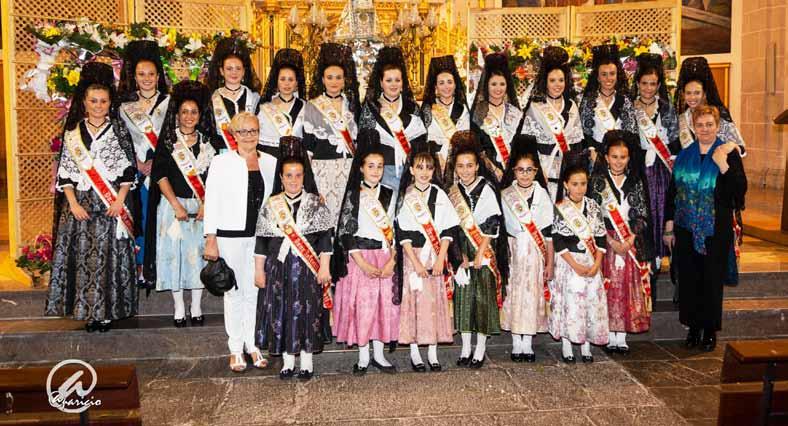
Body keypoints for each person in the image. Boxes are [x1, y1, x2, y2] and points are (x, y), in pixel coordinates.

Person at [46, 62, 139, 333]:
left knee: (108, 260)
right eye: (93, 101)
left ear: (110, 104)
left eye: (103, 101)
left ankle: (106, 313)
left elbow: (128, 171)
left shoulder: (119, 131)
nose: (98, 106)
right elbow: (66, 173)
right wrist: (73, 204)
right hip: (82, 205)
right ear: (85, 103)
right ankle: (87, 312)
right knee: (84, 260)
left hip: (110, 205)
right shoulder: (73, 134)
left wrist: (120, 201)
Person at [664, 105, 747, 352]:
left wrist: (723, 166)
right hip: (685, 227)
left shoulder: (726, 153)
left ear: (718, 126)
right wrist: (669, 226)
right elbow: (673, 192)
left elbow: (739, 192)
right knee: (690, 279)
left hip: (715, 228)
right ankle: (693, 328)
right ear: (693, 127)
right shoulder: (684, 155)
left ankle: (709, 330)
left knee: (711, 280)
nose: (705, 129)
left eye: (710, 124)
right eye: (700, 125)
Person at [254, 137, 334, 381]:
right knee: (283, 313)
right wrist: (259, 271)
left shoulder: (315, 204)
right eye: (288, 175)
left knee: (308, 313)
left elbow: (325, 239)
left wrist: (325, 268)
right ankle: (288, 362)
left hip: (308, 270)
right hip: (278, 269)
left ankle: (307, 362)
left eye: (298, 175)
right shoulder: (271, 205)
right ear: (281, 177)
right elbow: (261, 241)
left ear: (304, 176)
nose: (293, 180)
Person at [203, 112, 276, 372]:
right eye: (243, 131)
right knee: (233, 292)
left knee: (254, 291)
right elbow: (211, 200)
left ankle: (252, 344)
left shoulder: (270, 162)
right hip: (229, 235)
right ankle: (235, 348)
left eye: (253, 130)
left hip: (259, 237)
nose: (249, 136)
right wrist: (210, 238)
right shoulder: (221, 162)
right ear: (233, 135)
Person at [143, 81, 218, 327]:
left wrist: (206, 204)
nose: (189, 116)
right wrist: (176, 205)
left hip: (201, 206)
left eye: (193, 112)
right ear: (177, 115)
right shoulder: (168, 141)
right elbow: (160, 175)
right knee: (173, 255)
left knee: (198, 256)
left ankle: (196, 306)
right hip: (172, 207)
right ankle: (178, 306)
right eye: (184, 112)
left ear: (200, 115)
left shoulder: (208, 142)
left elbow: (214, 178)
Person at [332, 129, 399, 376]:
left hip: (384, 257)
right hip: (360, 259)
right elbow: (346, 232)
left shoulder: (390, 193)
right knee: (363, 308)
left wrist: (392, 260)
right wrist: (362, 263)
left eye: (379, 166)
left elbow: (396, 228)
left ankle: (379, 355)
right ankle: (362, 356)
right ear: (361, 168)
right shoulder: (354, 195)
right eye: (370, 166)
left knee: (382, 307)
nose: (375, 170)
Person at [674, 57, 746, 286]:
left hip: (715, 191)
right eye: (688, 93)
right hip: (688, 191)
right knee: (688, 263)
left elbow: (740, 147)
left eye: (697, 93)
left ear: (705, 93)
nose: (692, 97)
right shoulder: (681, 117)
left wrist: (729, 147)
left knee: (712, 262)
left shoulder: (719, 115)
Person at [444, 130, 508, 368]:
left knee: (482, 299)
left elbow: (492, 223)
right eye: (460, 166)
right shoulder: (453, 191)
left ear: (477, 166)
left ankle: (480, 348)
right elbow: (450, 226)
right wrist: (457, 256)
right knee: (464, 298)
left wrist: (481, 253)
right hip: (461, 250)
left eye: (469, 165)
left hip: (482, 249)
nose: (465, 170)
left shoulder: (486, 188)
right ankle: (465, 347)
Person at [395, 145, 460, 372]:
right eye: (419, 167)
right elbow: (402, 234)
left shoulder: (439, 195)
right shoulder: (406, 196)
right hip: (413, 256)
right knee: (414, 302)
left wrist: (441, 258)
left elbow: (448, 230)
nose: (424, 172)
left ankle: (432, 351)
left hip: (435, 255)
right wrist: (415, 263)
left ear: (434, 171)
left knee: (433, 302)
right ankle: (415, 352)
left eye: (429, 168)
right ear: (411, 170)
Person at [590, 130, 653, 354]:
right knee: (608, 287)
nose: (618, 161)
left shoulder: (635, 181)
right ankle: (609, 333)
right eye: (614, 157)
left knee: (627, 287)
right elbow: (592, 215)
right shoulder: (597, 182)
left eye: (623, 157)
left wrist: (630, 239)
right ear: (606, 157)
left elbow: (642, 213)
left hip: (629, 241)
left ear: (629, 158)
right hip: (606, 241)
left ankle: (622, 335)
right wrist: (610, 240)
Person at [117, 40, 171, 286]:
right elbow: (121, 139)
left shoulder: (170, 103)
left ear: (158, 76)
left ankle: (158, 267)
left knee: (160, 218)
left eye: (151, 74)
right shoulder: (124, 107)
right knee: (139, 217)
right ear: (135, 77)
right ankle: (139, 268)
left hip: (162, 170)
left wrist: (156, 163)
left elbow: (173, 138)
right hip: (136, 171)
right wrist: (137, 163)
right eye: (141, 74)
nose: (146, 79)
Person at [630, 53, 681, 303]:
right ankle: (644, 279)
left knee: (662, 221)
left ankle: (667, 273)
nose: (649, 88)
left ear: (659, 85)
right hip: (639, 172)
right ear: (637, 83)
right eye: (644, 83)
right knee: (643, 223)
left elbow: (675, 142)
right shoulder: (630, 108)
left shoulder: (667, 110)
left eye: (653, 84)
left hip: (662, 175)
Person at [550, 152, 609, 363]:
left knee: (590, 304)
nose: (579, 188)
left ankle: (586, 345)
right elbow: (558, 241)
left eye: (583, 184)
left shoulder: (593, 206)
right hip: (569, 263)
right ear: (566, 185)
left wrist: (597, 264)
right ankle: (567, 344)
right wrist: (575, 265)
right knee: (571, 304)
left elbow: (600, 238)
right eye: (575, 184)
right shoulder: (560, 208)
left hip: (591, 262)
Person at [500, 135, 554, 362]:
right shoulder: (506, 195)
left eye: (529, 170)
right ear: (514, 171)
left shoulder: (542, 195)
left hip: (535, 253)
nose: (525, 174)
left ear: (535, 171)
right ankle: (516, 341)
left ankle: (528, 343)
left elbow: (549, 233)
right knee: (514, 293)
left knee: (532, 294)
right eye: (520, 170)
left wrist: (550, 263)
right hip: (513, 251)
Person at [303, 42, 361, 225]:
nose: (334, 82)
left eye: (338, 77)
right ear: (322, 80)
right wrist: (310, 182)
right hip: (322, 171)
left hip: (348, 169)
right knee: (324, 218)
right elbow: (308, 147)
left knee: (346, 218)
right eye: (329, 77)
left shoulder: (352, 106)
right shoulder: (312, 106)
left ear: (344, 80)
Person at [521, 46, 585, 202]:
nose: (557, 85)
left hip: (566, 172)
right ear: (545, 82)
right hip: (543, 171)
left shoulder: (571, 106)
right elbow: (527, 145)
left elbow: (577, 144)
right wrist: (536, 169)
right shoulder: (535, 107)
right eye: (552, 80)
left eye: (561, 80)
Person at [359, 46, 427, 194]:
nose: (393, 84)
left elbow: (421, 143)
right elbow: (364, 145)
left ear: (403, 83)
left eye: (397, 80)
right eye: (388, 80)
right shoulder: (372, 108)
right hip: (381, 172)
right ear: (381, 83)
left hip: (410, 172)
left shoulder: (412, 107)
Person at [579, 44, 638, 164]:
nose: (608, 78)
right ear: (598, 77)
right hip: (596, 157)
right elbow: (584, 132)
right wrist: (592, 150)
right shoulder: (589, 101)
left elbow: (631, 132)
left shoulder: (625, 101)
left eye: (612, 73)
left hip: (620, 158)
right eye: (604, 74)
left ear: (617, 75)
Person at [470, 52, 523, 181]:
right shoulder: (478, 113)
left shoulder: (515, 113)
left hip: (514, 173)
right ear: (486, 85)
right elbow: (476, 147)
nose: (498, 88)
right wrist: (493, 169)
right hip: (486, 173)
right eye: (493, 84)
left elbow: (520, 146)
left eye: (502, 84)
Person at [206, 36, 262, 152]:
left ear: (244, 71)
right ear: (221, 71)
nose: (234, 72)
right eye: (229, 69)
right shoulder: (212, 99)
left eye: (238, 68)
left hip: (249, 151)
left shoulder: (254, 98)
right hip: (221, 153)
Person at [420, 55, 471, 178]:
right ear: (435, 87)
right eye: (441, 83)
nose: (446, 86)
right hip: (433, 163)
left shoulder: (463, 110)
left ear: (455, 85)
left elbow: (465, 139)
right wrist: (439, 157)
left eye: (449, 82)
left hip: (458, 163)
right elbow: (423, 138)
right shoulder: (428, 109)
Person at [258, 48, 306, 158]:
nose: (286, 84)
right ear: (276, 81)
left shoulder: (305, 107)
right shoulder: (265, 107)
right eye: (282, 79)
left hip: (296, 159)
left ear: (296, 83)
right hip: (269, 157)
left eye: (291, 80)